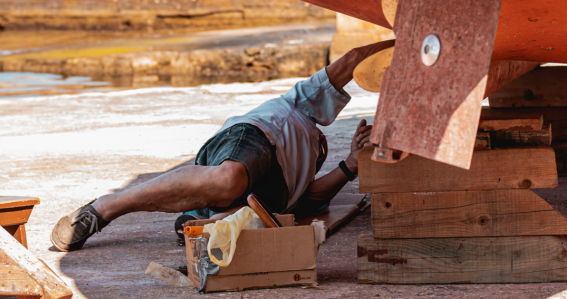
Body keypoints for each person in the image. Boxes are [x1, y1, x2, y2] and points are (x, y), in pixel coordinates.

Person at [50, 40, 395, 251]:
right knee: (229, 180)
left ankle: (203, 223)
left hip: (270, 193)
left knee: (262, 219)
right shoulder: (301, 102)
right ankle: (103, 209)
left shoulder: (304, 166)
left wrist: (351, 164)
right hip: (257, 138)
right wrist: (406, 42)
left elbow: (311, 199)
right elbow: (354, 58)